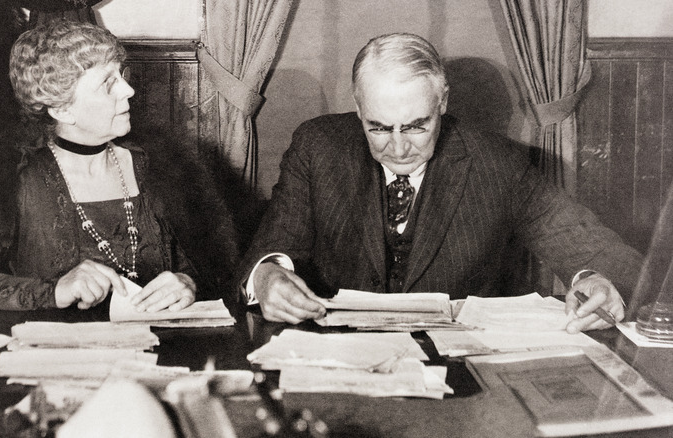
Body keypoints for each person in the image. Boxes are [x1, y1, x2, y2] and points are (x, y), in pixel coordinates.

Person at [238, 33, 643, 333]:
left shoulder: (497, 162)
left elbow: (610, 257)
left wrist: (600, 282)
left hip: (457, 376)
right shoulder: (317, 147)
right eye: (378, 127)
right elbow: (266, 253)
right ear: (358, 107)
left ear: (443, 102)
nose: (397, 148)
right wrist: (267, 277)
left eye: (416, 126)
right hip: (333, 360)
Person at [0, 20, 237, 324]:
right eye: (108, 83)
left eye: (123, 74)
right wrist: (53, 291)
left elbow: (218, 262)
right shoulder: (18, 180)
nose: (128, 90)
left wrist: (187, 282)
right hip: (56, 366)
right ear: (62, 108)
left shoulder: (165, 168)